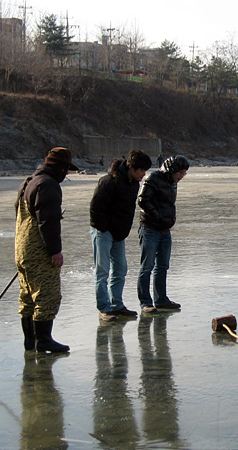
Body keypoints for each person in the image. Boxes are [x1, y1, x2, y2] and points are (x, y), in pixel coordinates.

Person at [15, 147, 78, 353]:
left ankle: (30, 340)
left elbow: (19, 210)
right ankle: (43, 340)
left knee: (27, 296)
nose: (66, 174)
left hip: (22, 247)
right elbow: (48, 222)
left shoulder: (29, 182)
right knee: (46, 295)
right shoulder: (48, 185)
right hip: (39, 249)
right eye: (66, 170)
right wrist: (55, 251)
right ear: (59, 167)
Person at [90, 150, 152, 322]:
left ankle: (116, 304)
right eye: (141, 170)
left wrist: (121, 230)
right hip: (103, 232)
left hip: (119, 233)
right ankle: (104, 308)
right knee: (102, 271)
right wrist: (104, 228)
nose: (144, 174)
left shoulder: (133, 183)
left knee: (120, 269)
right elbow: (95, 208)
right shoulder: (108, 182)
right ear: (131, 167)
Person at [137, 155, 189, 313]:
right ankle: (145, 302)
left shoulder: (173, 182)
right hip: (150, 229)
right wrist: (158, 216)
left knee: (162, 266)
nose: (181, 176)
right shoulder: (153, 178)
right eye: (180, 172)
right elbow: (142, 200)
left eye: (184, 173)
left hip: (165, 230)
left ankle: (161, 299)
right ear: (172, 169)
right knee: (147, 266)